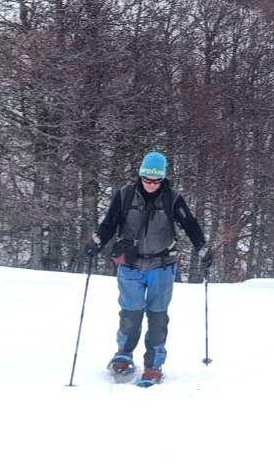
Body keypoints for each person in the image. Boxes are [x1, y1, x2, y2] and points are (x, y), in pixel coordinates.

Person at [85, 151, 212, 383]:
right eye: (147, 179)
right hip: (130, 265)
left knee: (157, 317)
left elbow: (189, 223)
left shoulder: (172, 198)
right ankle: (123, 354)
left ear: (162, 179)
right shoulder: (125, 195)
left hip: (162, 266)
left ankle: (154, 364)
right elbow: (109, 223)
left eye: (156, 181)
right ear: (140, 176)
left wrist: (202, 247)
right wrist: (97, 242)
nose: (151, 185)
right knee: (130, 313)